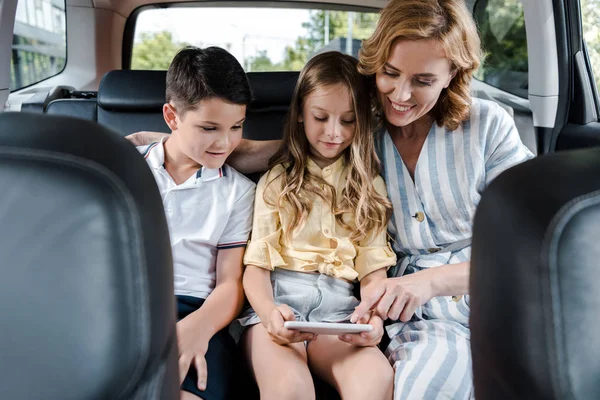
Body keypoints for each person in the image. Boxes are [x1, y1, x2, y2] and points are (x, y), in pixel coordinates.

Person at [127, 1, 534, 397]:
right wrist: (166, 144)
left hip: (471, 297)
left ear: (453, 73)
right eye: (390, 73)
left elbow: (529, 247)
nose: (402, 94)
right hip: (400, 316)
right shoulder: (361, 132)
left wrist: (426, 284)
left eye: (423, 80)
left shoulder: (487, 127)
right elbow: (266, 149)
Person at [237, 51, 396, 400]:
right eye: (320, 117)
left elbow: (372, 270)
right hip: (277, 309)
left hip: (339, 316)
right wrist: (268, 314)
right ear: (299, 116)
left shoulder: (369, 187)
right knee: (290, 390)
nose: (334, 133)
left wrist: (374, 318)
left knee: (376, 381)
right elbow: (256, 268)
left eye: (349, 121)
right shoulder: (278, 181)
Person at [137, 46, 255, 400]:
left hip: (199, 311)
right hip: (129, 305)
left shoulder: (237, 192)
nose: (225, 142)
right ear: (172, 117)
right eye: (209, 128)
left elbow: (230, 283)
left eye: (236, 127)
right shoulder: (127, 167)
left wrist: (196, 329)